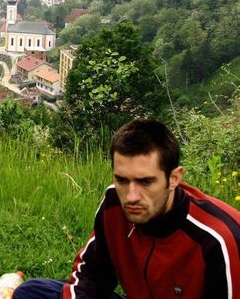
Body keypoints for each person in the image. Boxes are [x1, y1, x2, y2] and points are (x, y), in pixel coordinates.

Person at [14, 119, 240, 299]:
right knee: (31, 292)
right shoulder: (114, 205)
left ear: (174, 178)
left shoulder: (217, 240)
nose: (131, 197)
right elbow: (92, 276)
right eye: (122, 180)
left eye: (146, 182)